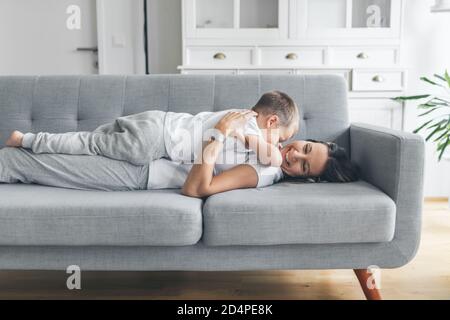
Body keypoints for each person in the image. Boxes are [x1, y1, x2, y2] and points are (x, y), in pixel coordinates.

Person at [0, 111, 359, 197]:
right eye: (305, 149)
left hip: (146, 174)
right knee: (89, 143)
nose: (294, 155)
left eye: (302, 166)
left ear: (304, 176)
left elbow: (197, 189)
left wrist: (217, 136)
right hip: (154, 138)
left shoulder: (264, 173)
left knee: (41, 167)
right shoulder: (260, 131)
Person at [5, 91, 299, 168]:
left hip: (157, 121)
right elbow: (272, 159)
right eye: (281, 138)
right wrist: (259, 142)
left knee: (91, 138)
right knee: (91, 145)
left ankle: (30, 140)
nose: (280, 145)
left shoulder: (239, 114)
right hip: (154, 143)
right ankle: (28, 140)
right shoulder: (246, 126)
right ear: (271, 121)